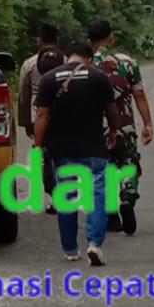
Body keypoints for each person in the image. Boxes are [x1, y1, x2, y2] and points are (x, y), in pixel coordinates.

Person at [33, 43, 118, 266]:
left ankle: (70, 249)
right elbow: (111, 110)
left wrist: (37, 144)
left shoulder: (49, 79)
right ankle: (94, 244)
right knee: (98, 192)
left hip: (62, 148)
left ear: (67, 57)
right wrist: (114, 131)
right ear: (89, 58)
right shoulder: (99, 77)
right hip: (94, 146)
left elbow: (42, 115)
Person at [87, 19, 153, 235]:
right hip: (124, 125)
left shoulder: (84, 64)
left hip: (95, 128)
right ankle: (127, 195)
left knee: (100, 170)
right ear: (111, 37)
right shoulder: (127, 62)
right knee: (128, 163)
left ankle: (111, 215)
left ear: (89, 40)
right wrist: (147, 124)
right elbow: (139, 94)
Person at [18, 23, 62, 210]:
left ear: (40, 40)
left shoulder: (29, 64)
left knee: (45, 156)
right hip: (63, 116)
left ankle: (54, 195)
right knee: (63, 155)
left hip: (39, 117)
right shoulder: (67, 61)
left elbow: (23, 96)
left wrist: (26, 123)